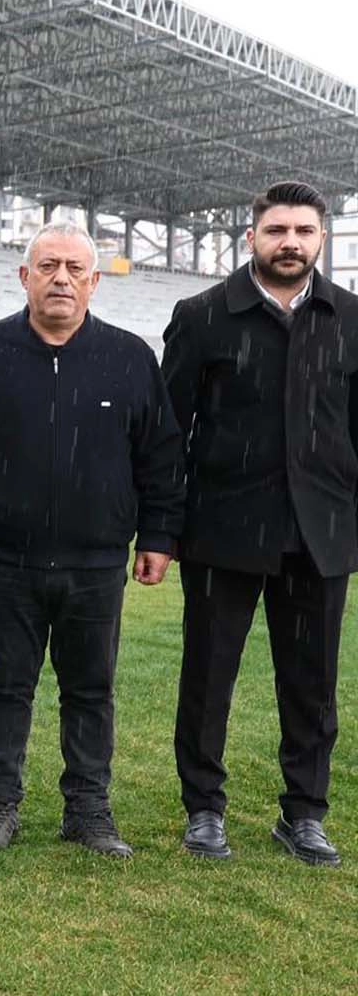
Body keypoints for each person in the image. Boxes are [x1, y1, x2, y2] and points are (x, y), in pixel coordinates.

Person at [0, 221, 183, 859]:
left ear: (95, 282)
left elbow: (160, 457)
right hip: (4, 559)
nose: (61, 278)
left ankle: (89, 809)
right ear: (24, 277)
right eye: (48, 267)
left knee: (91, 689)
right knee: (6, 685)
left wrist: (157, 535)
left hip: (95, 562)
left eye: (74, 268)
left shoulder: (129, 359)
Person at [164, 181, 358, 867]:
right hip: (223, 531)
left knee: (311, 682)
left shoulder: (351, 319)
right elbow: (169, 432)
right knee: (208, 677)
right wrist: (163, 530)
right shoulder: (204, 315)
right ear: (252, 237)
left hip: (321, 534)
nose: (290, 243)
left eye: (303, 232)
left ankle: (304, 814)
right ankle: (204, 811)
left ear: (321, 240)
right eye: (277, 230)